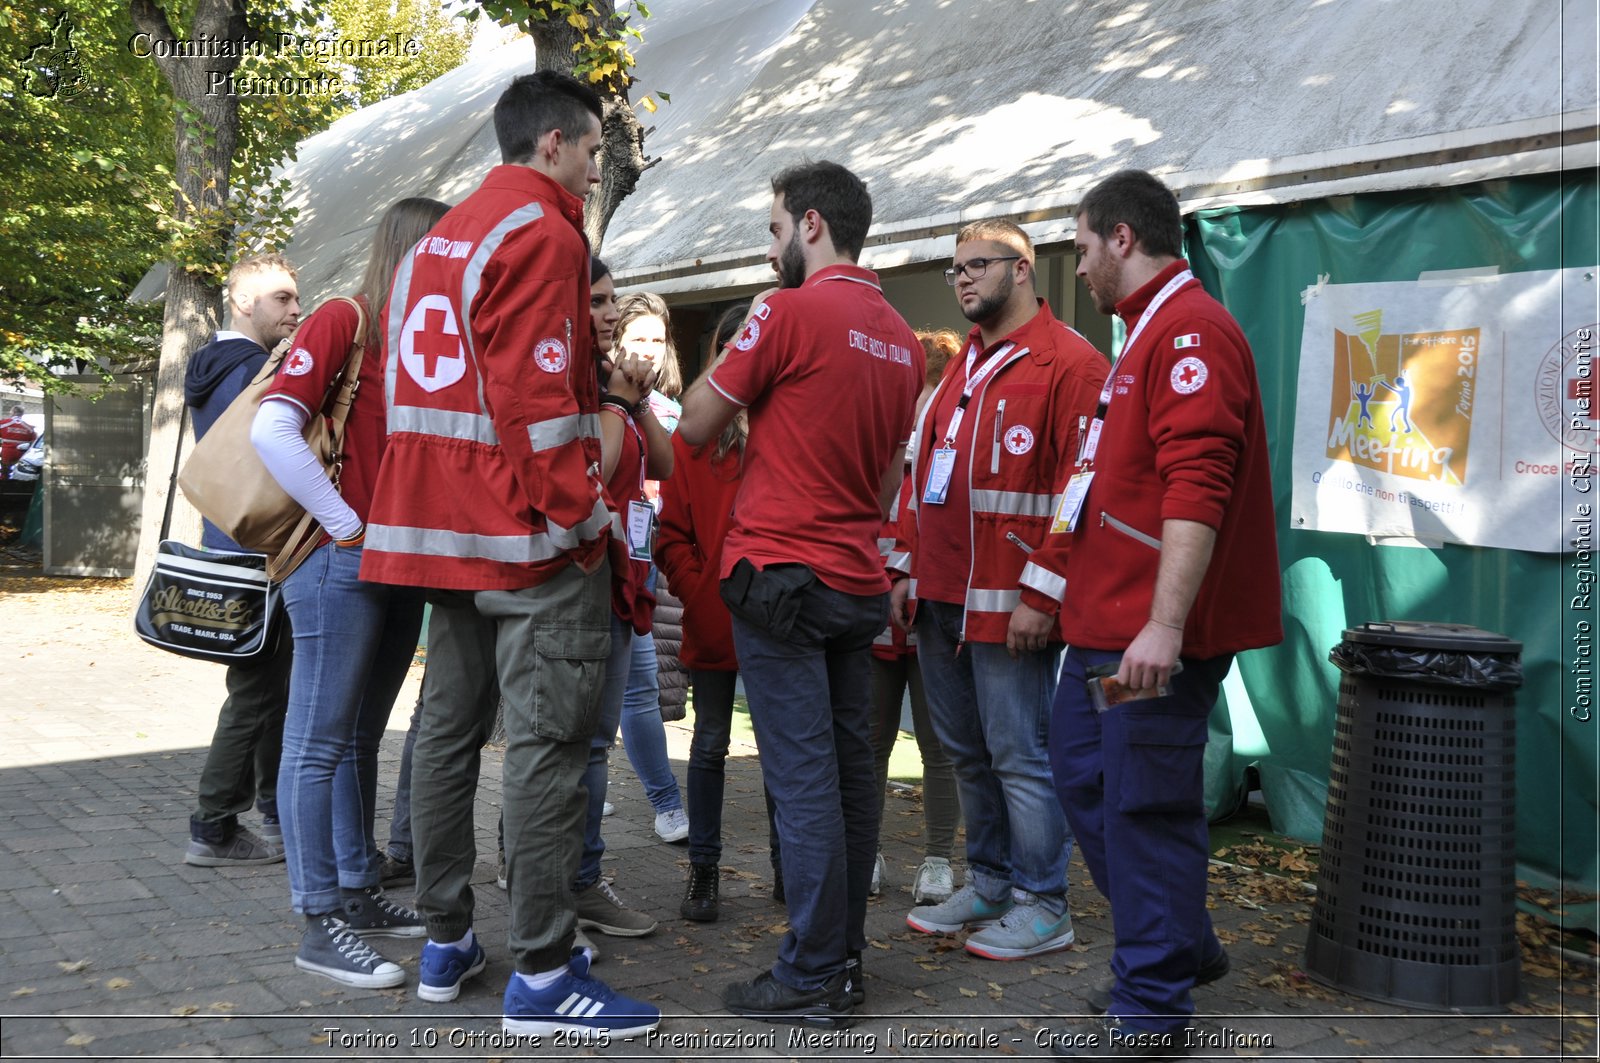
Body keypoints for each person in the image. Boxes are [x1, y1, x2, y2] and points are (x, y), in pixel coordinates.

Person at [359, 71, 659, 1039]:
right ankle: (541, 971)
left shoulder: (431, 242)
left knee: (444, 737)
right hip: (523, 538)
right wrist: (580, 520)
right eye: (592, 152)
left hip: (432, 533)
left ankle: (446, 939)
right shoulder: (544, 230)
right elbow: (534, 397)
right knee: (547, 748)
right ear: (552, 146)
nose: (594, 170)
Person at [679, 160, 923, 1028]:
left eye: (775, 227)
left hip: (782, 576)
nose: (770, 243)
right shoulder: (899, 335)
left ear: (812, 224)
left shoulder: (784, 310)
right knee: (853, 778)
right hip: (856, 579)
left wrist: (734, 395)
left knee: (806, 782)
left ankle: (814, 969)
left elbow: (696, 425)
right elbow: (891, 475)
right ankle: (844, 959)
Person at [1045, 170, 1281, 1058]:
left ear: (1119, 237)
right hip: (1104, 623)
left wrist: (1166, 626)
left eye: (1081, 245)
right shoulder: (1147, 332)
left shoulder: (1188, 329)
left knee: (1142, 802)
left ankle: (1152, 1007)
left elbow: (1197, 487)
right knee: (1084, 776)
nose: (1079, 264)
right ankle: (1177, 940)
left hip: (1145, 631)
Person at [892, 219, 1106, 961]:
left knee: (1019, 752)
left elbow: (1082, 488)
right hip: (942, 596)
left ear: (1023, 271)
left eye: (977, 265)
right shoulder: (963, 364)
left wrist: (1043, 594)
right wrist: (905, 569)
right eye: (955, 269)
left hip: (1010, 602)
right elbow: (924, 473)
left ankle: (1045, 901)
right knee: (966, 750)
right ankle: (988, 881)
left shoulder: (1070, 365)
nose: (962, 279)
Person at [251, 197, 448, 988]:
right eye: (445, 247)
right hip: (341, 562)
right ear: (412, 247)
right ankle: (318, 920)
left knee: (360, 736)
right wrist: (345, 524)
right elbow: (273, 427)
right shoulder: (347, 315)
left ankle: (357, 893)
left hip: (395, 566)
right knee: (317, 741)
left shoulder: (419, 339)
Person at [659, 304, 782, 924]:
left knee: (780, 750)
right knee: (708, 744)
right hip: (714, 618)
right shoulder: (694, 436)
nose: (743, 355)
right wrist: (699, 585)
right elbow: (670, 533)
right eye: (732, 346)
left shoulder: (786, 431)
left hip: (776, 617)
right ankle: (704, 872)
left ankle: (789, 868)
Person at [179, 253, 300, 868]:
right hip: (262, 548)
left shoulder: (211, 364)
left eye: (296, 298)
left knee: (261, 687)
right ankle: (215, 826)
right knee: (258, 692)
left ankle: (272, 811)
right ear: (242, 301)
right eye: (281, 298)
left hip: (229, 542)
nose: (296, 309)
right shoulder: (251, 369)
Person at [570, 261, 674, 940]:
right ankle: (568, 883)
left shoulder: (619, 391)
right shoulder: (579, 384)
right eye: (598, 302)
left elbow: (663, 464)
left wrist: (634, 401)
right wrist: (613, 400)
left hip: (623, 582)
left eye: (613, 302)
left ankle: (580, 878)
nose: (610, 316)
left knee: (592, 746)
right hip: (583, 584)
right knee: (575, 746)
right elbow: (599, 472)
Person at [868, 328, 962, 905]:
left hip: (932, 614)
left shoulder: (949, 450)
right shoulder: (879, 445)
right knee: (870, 740)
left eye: (934, 389)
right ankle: (868, 851)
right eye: (921, 389)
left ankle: (936, 860)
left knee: (939, 744)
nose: (926, 402)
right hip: (876, 613)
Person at [608, 290, 690, 845]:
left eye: (656, 341)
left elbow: (670, 472)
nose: (647, 351)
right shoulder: (597, 398)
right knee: (608, 689)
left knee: (640, 687)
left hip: (647, 562)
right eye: (636, 339)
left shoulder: (668, 411)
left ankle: (666, 804)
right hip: (599, 557)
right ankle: (587, 786)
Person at [0, 405, 37, 480]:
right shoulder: (29, 427)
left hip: (7, 452)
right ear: (22, 414)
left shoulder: (3, 423)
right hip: (22, 453)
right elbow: (33, 441)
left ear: (12, 412)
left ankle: (4, 487)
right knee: (19, 474)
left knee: (5, 473)